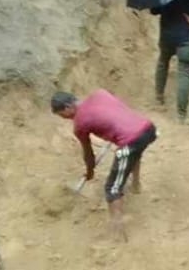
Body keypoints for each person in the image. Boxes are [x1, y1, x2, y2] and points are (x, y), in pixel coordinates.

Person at [51, 89, 156, 238]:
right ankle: (136, 185)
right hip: (147, 129)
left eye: (63, 116)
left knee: (111, 189)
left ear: (68, 107)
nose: (66, 119)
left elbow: (88, 154)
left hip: (130, 141)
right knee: (133, 154)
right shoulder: (99, 93)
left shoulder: (80, 123)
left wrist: (90, 172)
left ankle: (117, 231)